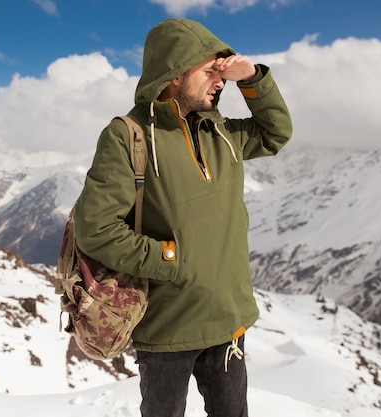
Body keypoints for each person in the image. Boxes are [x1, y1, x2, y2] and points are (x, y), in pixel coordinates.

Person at [73, 18, 292, 417]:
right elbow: (97, 230)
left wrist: (252, 79)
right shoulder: (128, 135)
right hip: (167, 326)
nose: (219, 81)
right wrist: (172, 260)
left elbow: (276, 133)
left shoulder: (221, 132)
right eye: (210, 71)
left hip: (228, 321)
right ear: (174, 74)